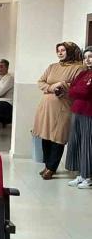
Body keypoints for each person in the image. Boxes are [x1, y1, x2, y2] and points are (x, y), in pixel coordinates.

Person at [33, 42, 85, 180]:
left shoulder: (79, 68)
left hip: (63, 107)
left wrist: (62, 86)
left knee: (58, 137)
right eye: (58, 50)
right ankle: (47, 165)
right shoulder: (52, 67)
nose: (60, 53)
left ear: (71, 51)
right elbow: (41, 82)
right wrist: (53, 87)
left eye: (63, 50)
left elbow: (77, 86)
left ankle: (52, 167)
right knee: (45, 135)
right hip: (46, 107)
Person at [66, 46, 92, 189]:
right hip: (77, 111)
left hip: (89, 113)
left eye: (90, 57)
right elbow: (72, 90)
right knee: (77, 142)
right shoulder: (83, 73)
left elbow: (86, 92)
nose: (87, 60)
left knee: (87, 144)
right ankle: (81, 174)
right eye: (85, 57)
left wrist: (77, 90)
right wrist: (77, 90)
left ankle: (88, 177)